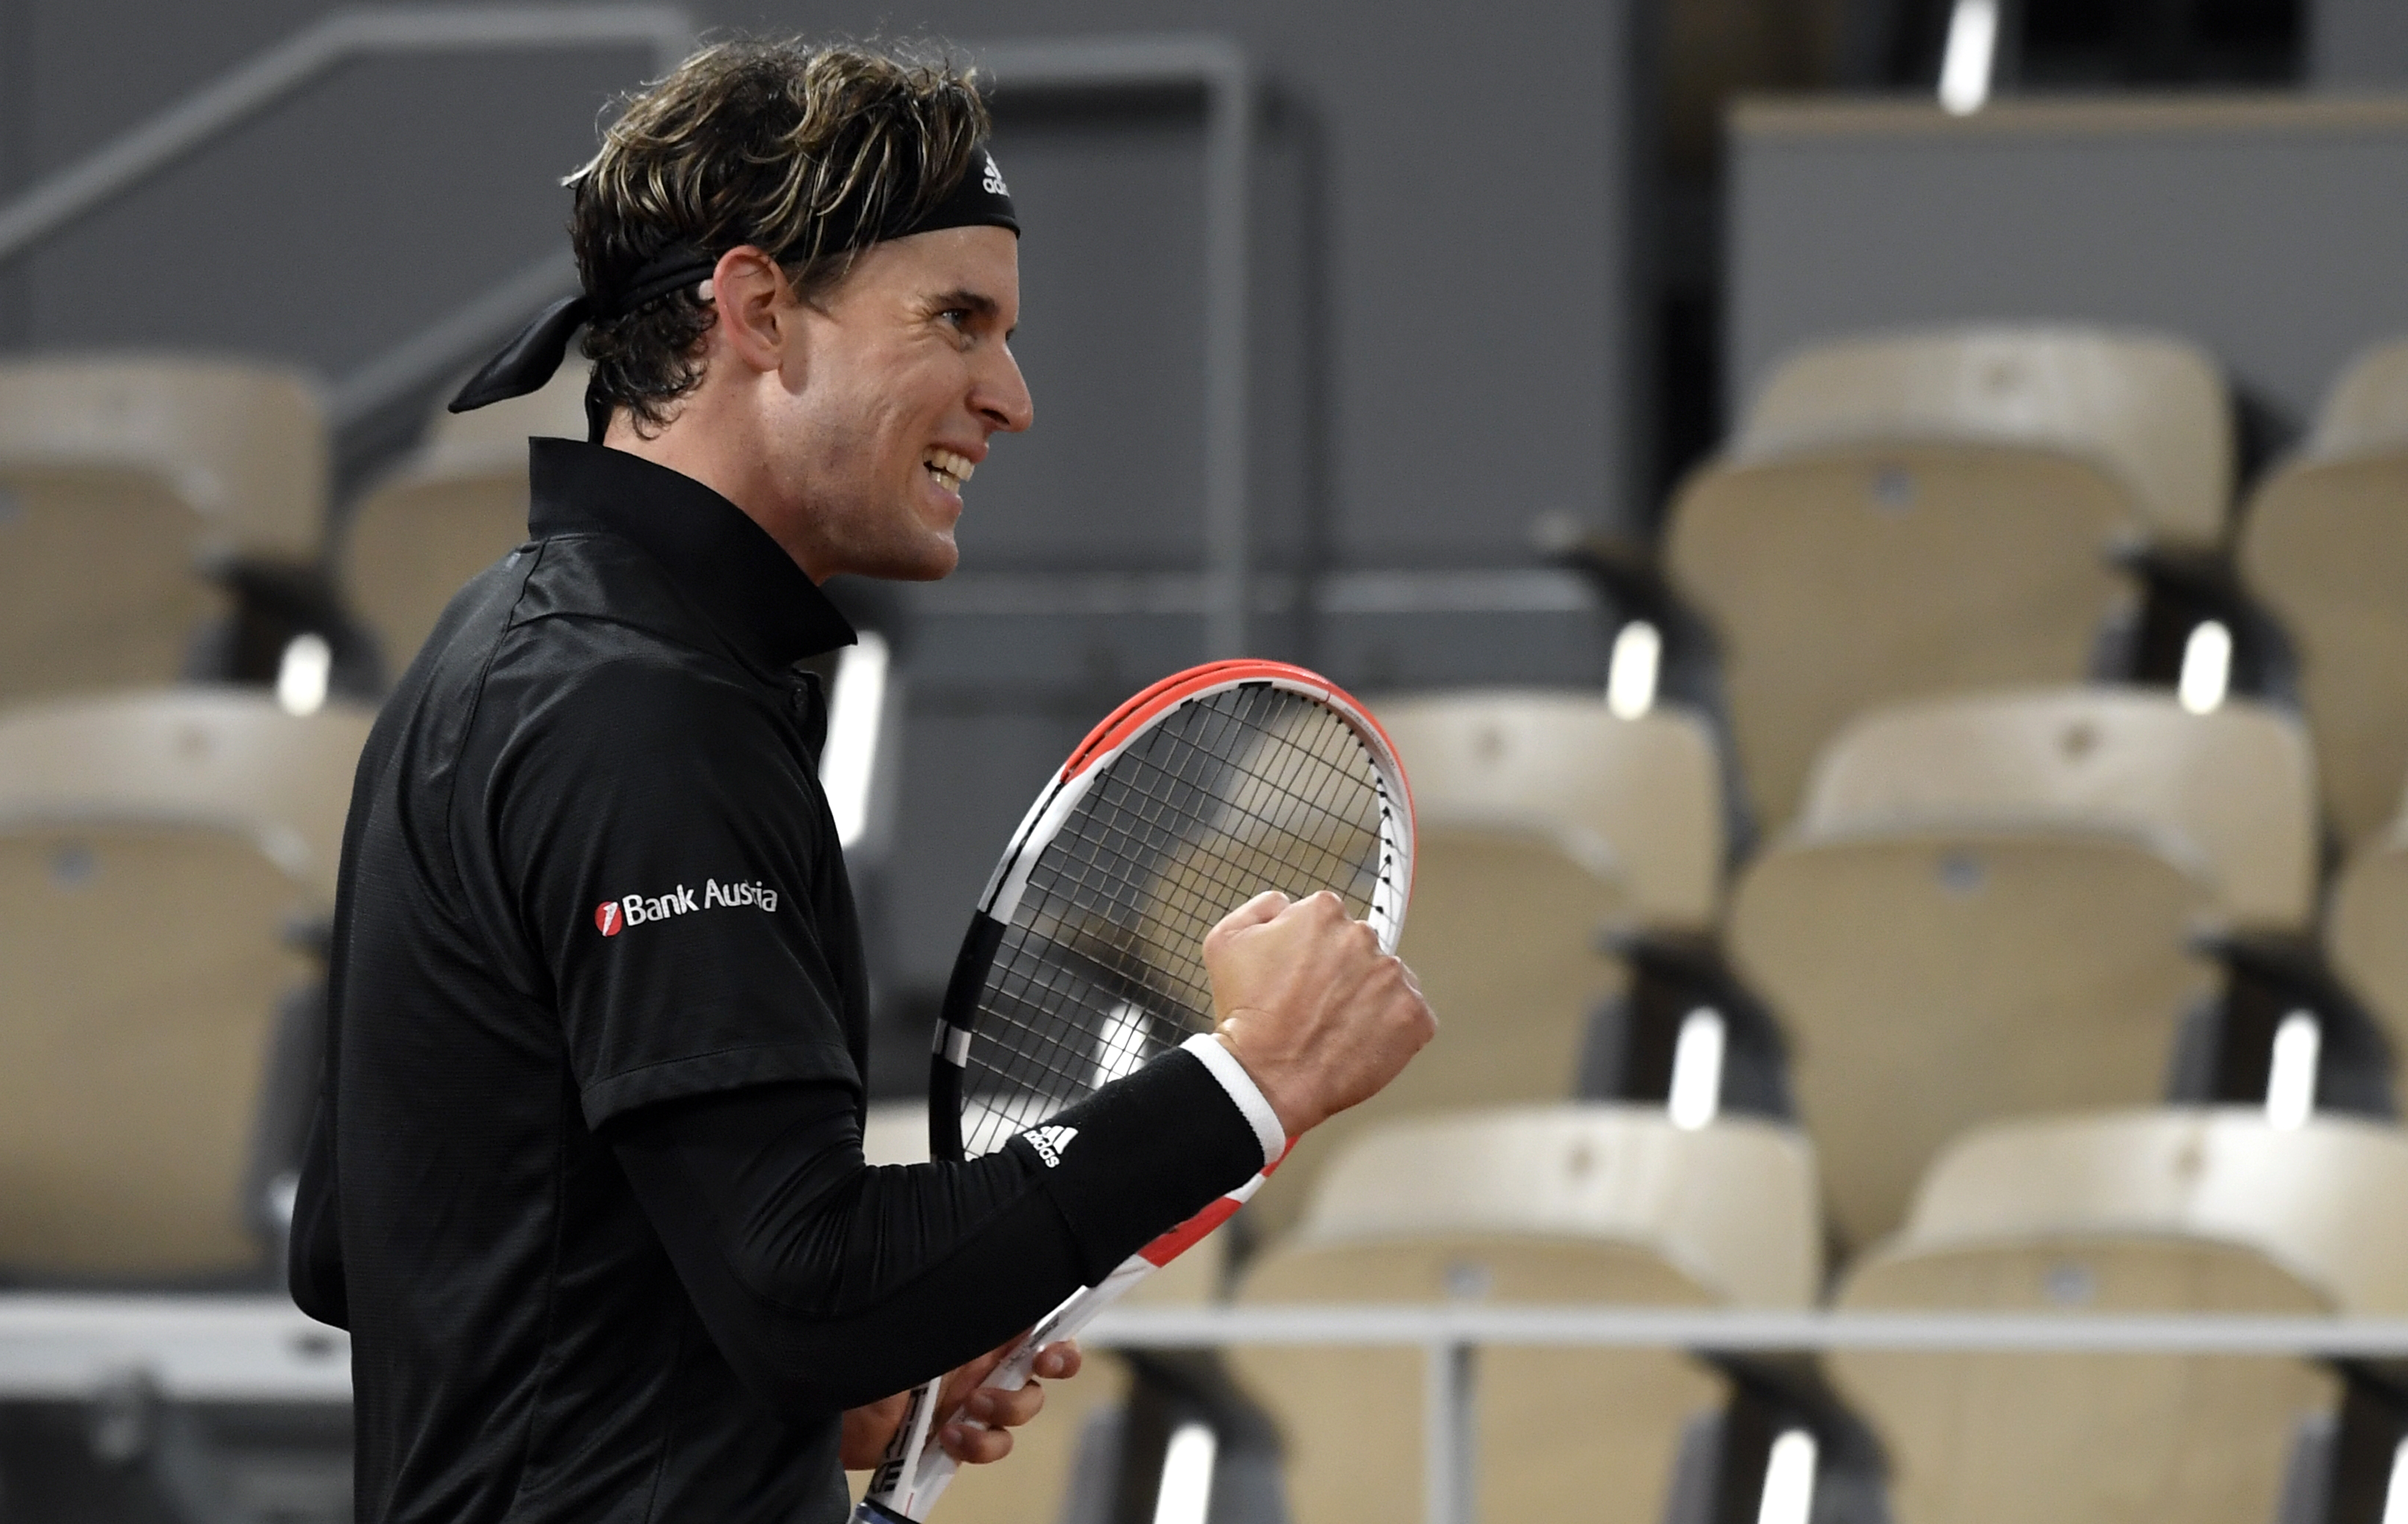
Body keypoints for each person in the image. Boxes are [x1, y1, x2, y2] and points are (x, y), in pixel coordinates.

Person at [287, 37, 1435, 1524]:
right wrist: (1247, 1084)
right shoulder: (636, 710)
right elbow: (808, 1284)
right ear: (757, 309)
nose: (1009, 395)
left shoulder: (506, 651)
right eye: (956, 320)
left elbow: (362, 1243)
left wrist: (786, 1381)